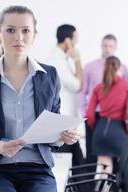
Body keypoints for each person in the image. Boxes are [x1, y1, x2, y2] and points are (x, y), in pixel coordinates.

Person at [0, 5, 80, 192]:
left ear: (34, 36)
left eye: (25, 30)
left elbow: (52, 132)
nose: (19, 37)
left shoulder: (49, 75)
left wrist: (63, 136)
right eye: (10, 30)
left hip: (37, 171)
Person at [81, 34, 128, 166]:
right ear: (101, 46)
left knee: (114, 154)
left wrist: (126, 122)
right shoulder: (90, 67)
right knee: (91, 152)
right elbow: (83, 91)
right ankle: (88, 185)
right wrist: (84, 114)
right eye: (105, 45)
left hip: (116, 118)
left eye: (110, 46)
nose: (107, 49)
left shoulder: (123, 69)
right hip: (94, 115)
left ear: (115, 47)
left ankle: (113, 185)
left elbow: (127, 98)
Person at [86, 56, 128, 175]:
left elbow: (89, 114)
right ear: (120, 68)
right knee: (125, 169)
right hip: (118, 131)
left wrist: (94, 127)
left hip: (101, 130)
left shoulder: (99, 87)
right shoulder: (127, 86)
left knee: (104, 170)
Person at [46, 24, 84, 167]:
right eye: (75, 39)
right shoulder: (57, 61)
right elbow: (78, 85)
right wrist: (78, 59)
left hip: (67, 123)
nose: (76, 43)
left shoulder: (62, 59)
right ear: (68, 41)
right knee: (74, 165)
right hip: (63, 125)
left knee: (77, 162)